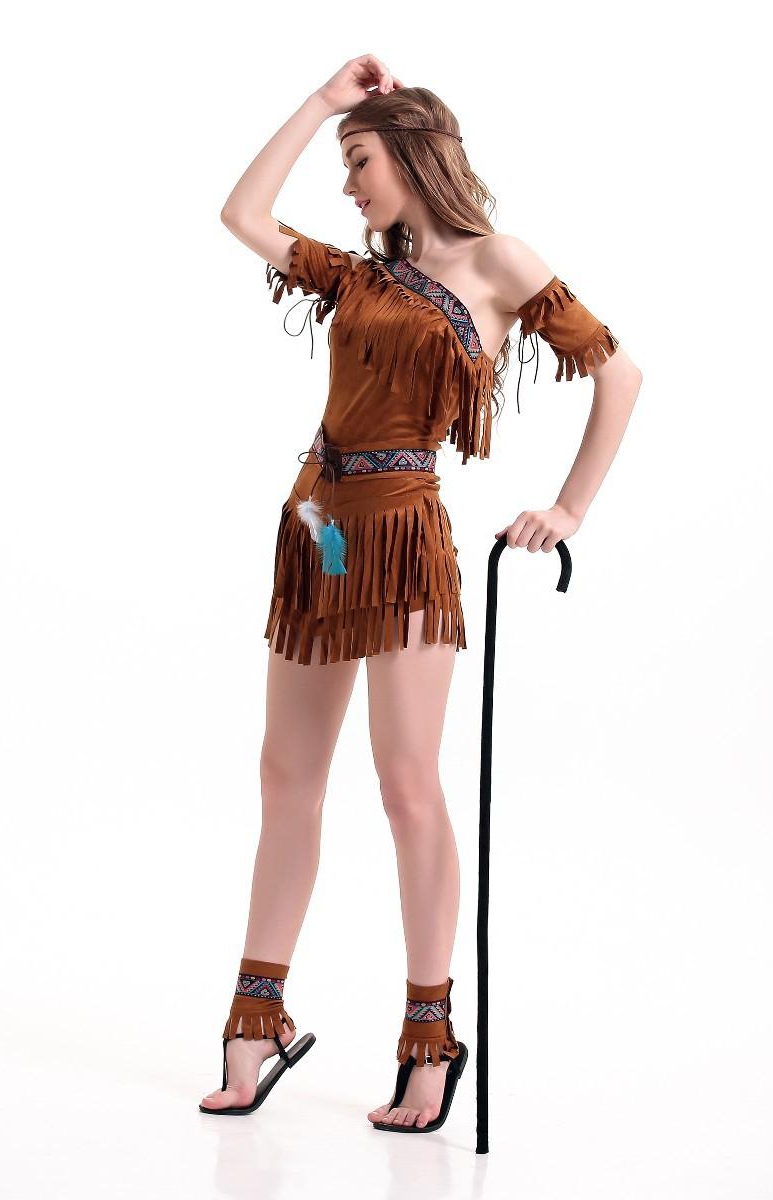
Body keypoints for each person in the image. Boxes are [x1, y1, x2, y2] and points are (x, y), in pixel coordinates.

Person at [199, 54, 643, 1132]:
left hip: (403, 538)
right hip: (319, 528)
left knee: (405, 784)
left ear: (412, 155)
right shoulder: (359, 276)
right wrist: (322, 104)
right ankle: (256, 1020)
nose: (347, 184)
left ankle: (429, 1038)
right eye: (345, 163)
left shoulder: (497, 262)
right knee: (286, 776)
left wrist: (569, 508)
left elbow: (619, 373)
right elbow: (241, 214)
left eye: (359, 161)